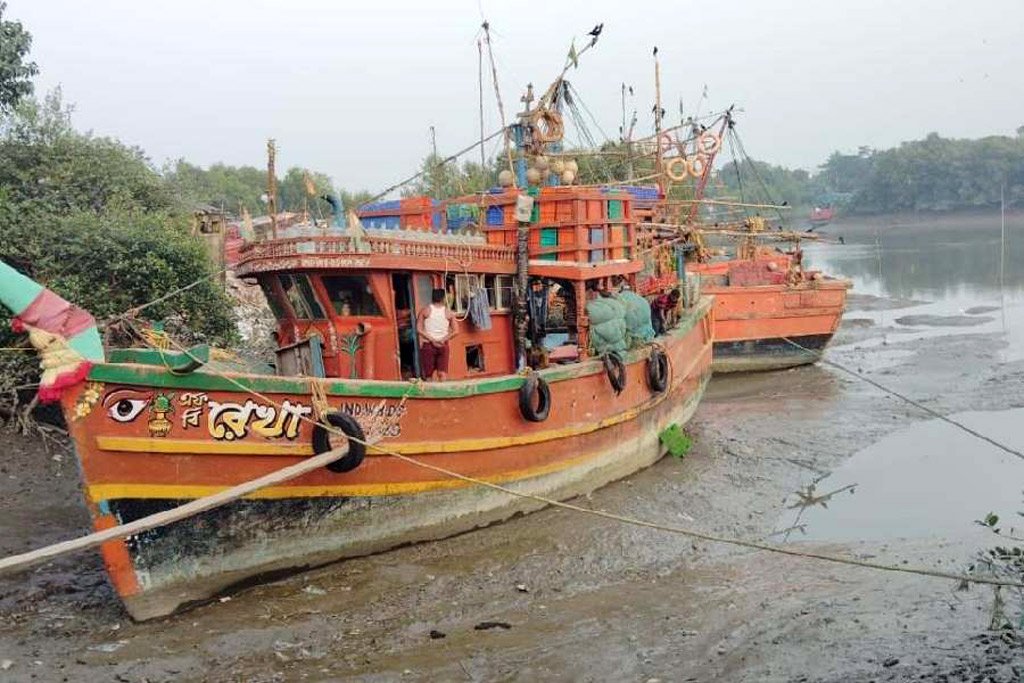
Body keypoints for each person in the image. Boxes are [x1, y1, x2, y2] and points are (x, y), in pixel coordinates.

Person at [417, 288, 456, 381]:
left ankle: (429, 394)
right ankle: (444, 393)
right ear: (443, 298)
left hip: (428, 345)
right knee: (442, 373)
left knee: (428, 375)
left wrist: (432, 339)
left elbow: (419, 329)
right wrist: (443, 339)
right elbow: (456, 331)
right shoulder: (449, 313)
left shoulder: (425, 310)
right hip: (443, 345)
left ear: (432, 298)